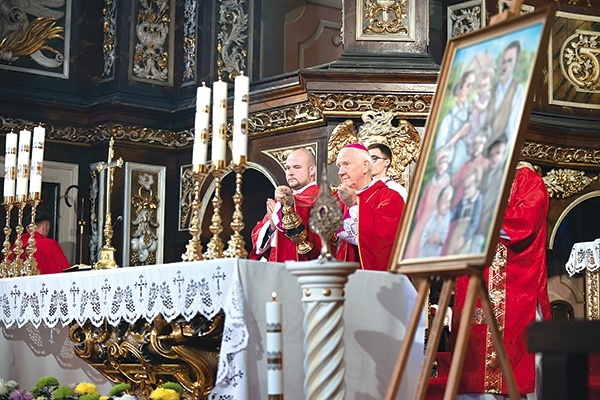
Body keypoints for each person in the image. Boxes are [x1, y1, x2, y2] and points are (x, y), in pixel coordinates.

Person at [453, 161, 552, 399]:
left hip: (515, 284)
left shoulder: (527, 178)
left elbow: (523, 222)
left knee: (513, 365)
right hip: (475, 280)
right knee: (472, 356)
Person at [334, 143, 405, 271]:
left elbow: (387, 244)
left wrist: (356, 205)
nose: (341, 172)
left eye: (346, 164)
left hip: (372, 279)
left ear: (365, 166)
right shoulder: (338, 199)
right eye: (339, 166)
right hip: (341, 279)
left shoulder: (389, 197)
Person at [249, 148, 321, 262]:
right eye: (288, 168)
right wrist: (272, 225)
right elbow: (258, 246)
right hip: (276, 268)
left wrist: (291, 205)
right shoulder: (279, 201)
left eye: (297, 167)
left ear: (312, 170)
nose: (290, 172)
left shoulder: (322, 197)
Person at [435, 69, 476, 175]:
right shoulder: (449, 118)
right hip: (453, 169)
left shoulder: (473, 113)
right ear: (459, 89)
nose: (470, 90)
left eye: (472, 86)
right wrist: (459, 134)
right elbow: (440, 151)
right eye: (468, 86)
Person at [10, 207, 71, 274]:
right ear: (45, 225)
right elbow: (64, 272)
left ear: (27, 228)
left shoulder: (15, 247)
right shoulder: (48, 244)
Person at [486, 40, 526, 144]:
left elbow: (512, 131)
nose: (505, 65)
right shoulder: (491, 91)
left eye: (509, 61)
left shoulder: (519, 90)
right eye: (503, 61)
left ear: (515, 64)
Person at [419, 185, 454, 258]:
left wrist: (440, 239)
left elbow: (448, 239)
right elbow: (424, 235)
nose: (447, 205)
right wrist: (429, 239)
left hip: (436, 257)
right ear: (439, 201)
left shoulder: (449, 217)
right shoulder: (433, 215)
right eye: (445, 202)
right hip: (424, 254)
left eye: (449, 202)